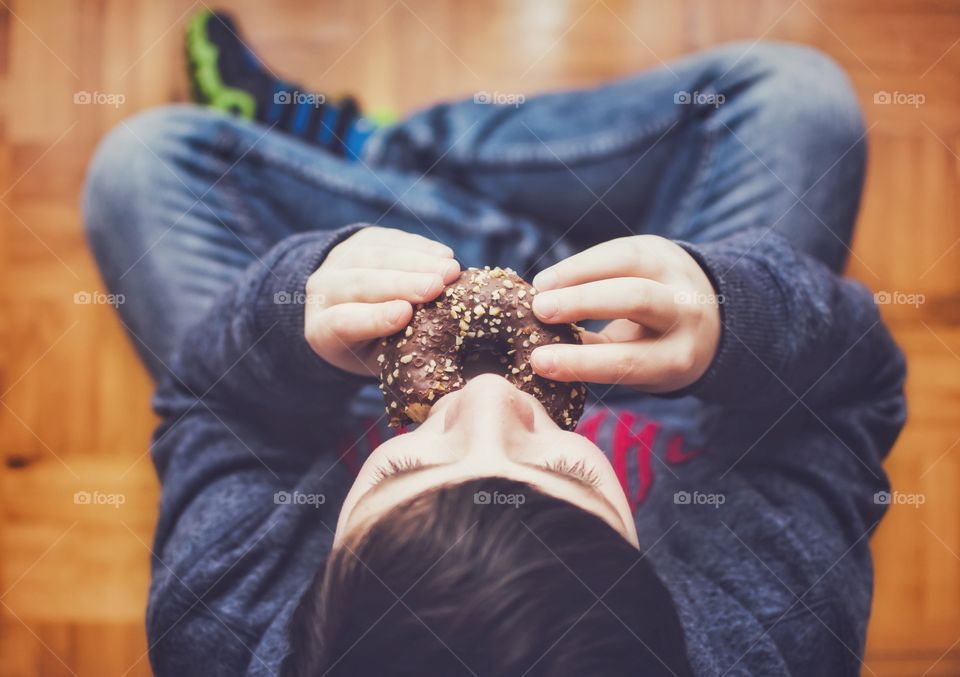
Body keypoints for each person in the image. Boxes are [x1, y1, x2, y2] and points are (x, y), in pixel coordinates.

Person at [82, 9, 906, 676]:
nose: (487, 398)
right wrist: (733, 313)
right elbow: (853, 390)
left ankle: (366, 156)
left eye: (406, 463)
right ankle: (454, 193)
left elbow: (207, 404)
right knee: (798, 100)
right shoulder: (776, 636)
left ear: (318, 597)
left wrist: (290, 312)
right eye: (562, 468)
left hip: (332, 378)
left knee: (142, 166)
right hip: (690, 384)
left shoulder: (220, 631)